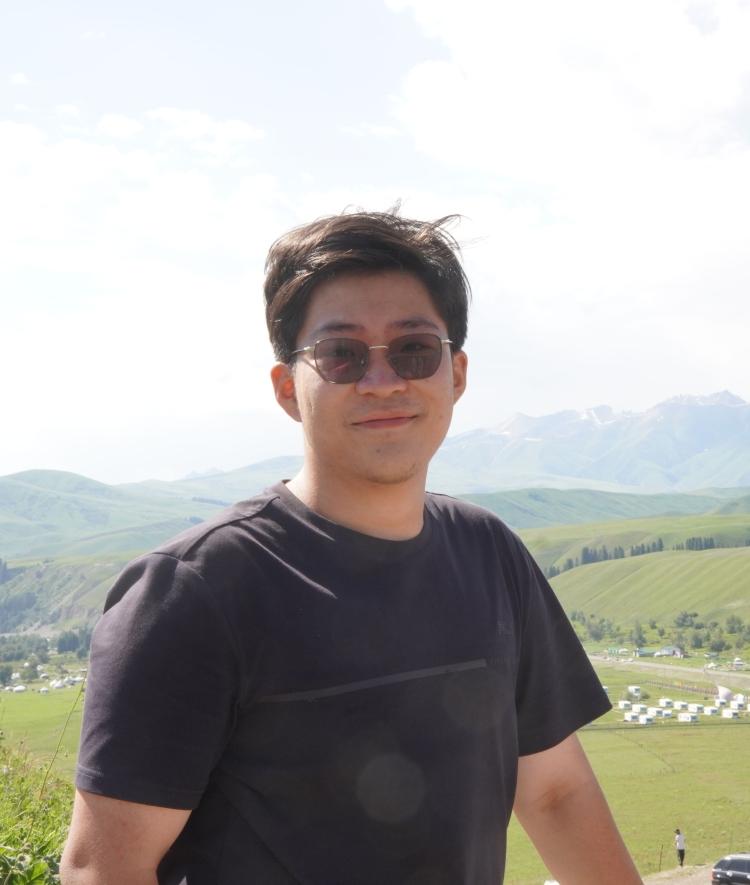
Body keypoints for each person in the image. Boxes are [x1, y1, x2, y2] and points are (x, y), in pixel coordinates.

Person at [60, 210, 641, 884]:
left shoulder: (490, 556)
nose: (382, 380)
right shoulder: (194, 590)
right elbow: (104, 869)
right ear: (287, 389)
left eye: (414, 349)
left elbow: (554, 790)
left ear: (455, 373)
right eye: (342, 355)